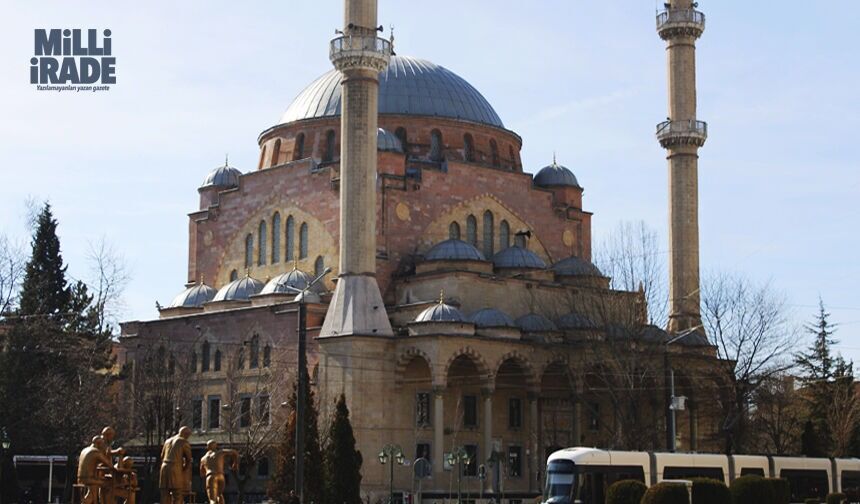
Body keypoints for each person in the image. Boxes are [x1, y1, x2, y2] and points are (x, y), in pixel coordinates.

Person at [159, 427, 193, 504]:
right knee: (177, 493)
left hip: (164, 467)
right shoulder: (183, 441)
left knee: (164, 493)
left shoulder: (167, 441)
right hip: (175, 468)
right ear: (186, 434)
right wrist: (184, 470)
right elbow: (189, 459)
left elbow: (162, 456)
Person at [77, 437, 113, 504]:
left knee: (97, 483)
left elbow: (92, 462)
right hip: (89, 479)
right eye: (102, 445)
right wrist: (109, 454)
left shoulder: (84, 450)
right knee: (109, 483)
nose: (103, 447)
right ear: (98, 444)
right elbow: (109, 465)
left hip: (80, 478)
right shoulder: (96, 452)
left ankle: (92, 499)